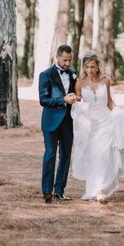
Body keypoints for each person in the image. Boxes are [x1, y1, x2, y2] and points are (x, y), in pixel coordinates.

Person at [71, 53, 124, 203]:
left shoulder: (106, 81)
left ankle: (100, 190)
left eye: (93, 67)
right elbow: (79, 104)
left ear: (97, 67)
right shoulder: (79, 83)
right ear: (84, 67)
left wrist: (118, 112)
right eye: (87, 67)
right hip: (90, 124)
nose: (90, 70)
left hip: (106, 122)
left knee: (104, 155)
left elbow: (109, 101)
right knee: (94, 155)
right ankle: (95, 188)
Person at [38, 45, 81, 203]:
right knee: (50, 154)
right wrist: (62, 100)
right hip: (50, 122)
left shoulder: (73, 74)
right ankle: (47, 190)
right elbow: (43, 100)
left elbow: (78, 92)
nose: (67, 64)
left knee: (65, 156)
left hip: (68, 122)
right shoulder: (45, 75)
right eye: (65, 60)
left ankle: (59, 190)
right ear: (57, 57)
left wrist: (76, 98)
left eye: (70, 60)